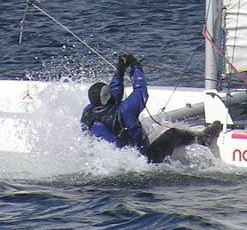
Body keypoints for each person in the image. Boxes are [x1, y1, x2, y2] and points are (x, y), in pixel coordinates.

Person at [80, 53, 222, 163]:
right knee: (173, 133)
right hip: (145, 160)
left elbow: (114, 93)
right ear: (108, 97)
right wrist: (135, 67)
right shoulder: (125, 110)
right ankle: (204, 138)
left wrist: (120, 71)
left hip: (119, 160)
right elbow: (141, 91)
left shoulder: (88, 113)